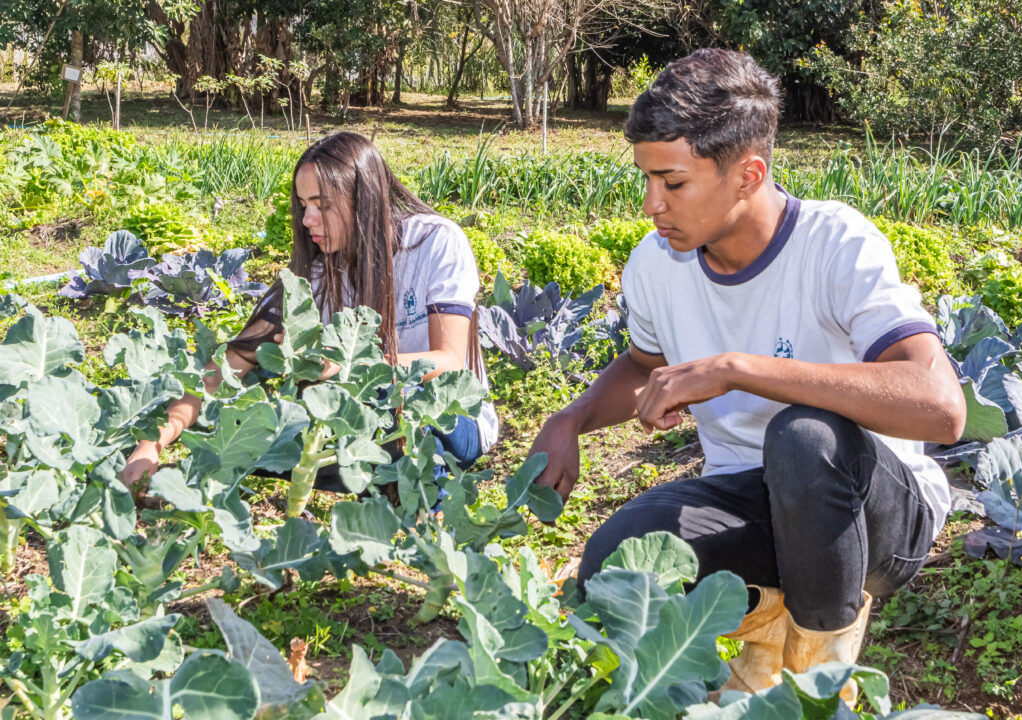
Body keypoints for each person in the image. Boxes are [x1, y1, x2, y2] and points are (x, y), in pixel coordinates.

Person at [526, 49, 965, 705]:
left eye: (673, 183)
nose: (651, 204)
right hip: (754, 498)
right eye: (646, 180)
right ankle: (756, 638)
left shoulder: (836, 245)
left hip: (878, 517)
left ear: (747, 175)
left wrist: (737, 370)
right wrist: (573, 419)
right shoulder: (657, 262)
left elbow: (940, 407)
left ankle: (818, 691)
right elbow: (644, 366)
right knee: (620, 558)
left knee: (804, 439)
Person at [122, 131, 498, 494]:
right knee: (244, 429)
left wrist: (346, 366)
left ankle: (413, 487)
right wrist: (151, 444)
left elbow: (448, 362)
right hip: (363, 427)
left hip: (452, 419)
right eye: (304, 206)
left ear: (363, 199)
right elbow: (227, 365)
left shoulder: (434, 243)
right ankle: (380, 476)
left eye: (322, 205)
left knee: (396, 408)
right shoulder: (319, 275)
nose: (307, 220)